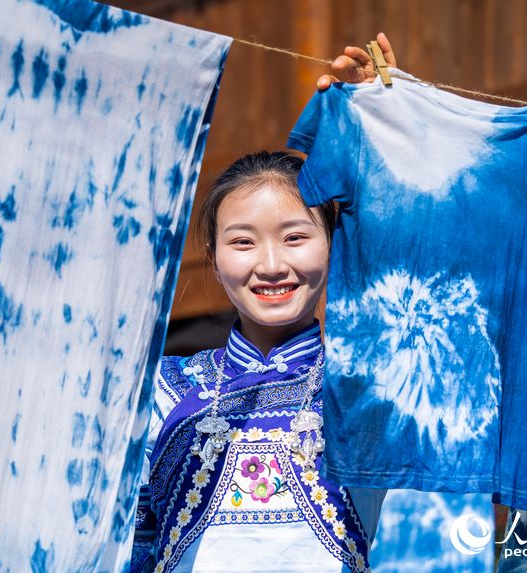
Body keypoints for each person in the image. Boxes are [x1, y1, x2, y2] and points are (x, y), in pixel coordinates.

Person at [129, 34, 397, 573]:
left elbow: (424, 267)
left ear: (333, 244)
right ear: (213, 257)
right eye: (243, 242)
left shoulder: (370, 387)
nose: (271, 265)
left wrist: (388, 133)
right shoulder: (158, 391)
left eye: (295, 237)